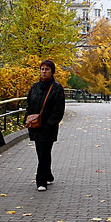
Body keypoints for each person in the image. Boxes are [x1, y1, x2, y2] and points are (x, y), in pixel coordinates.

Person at [24, 59, 66, 192]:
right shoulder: (35, 87)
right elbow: (29, 105)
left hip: (48, 127)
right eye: (42, 69)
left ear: (52, 71)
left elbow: (59, 108)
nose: (44, 72)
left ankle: (41, 180)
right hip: (36, 125)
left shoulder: (57, 88)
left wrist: (51, 123)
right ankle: (47, 173)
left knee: (44, 152)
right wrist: (28, 118)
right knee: (40, 152)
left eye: (47, 69)